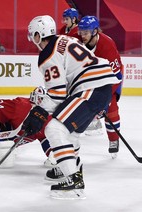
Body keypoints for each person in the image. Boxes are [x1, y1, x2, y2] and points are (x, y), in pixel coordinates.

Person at [26, 15, 120, 199]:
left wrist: (38, 112)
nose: (32, 39)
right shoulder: (65, 39)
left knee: (54, 128)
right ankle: (68, 167)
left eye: (33, 35)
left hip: (90, 88)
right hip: (99, 88)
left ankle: (73, 179)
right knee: (70, 132)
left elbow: (57, 94)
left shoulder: (47, 55)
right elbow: (63, 91)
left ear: (39, 34)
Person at [78, 16, 123, 159]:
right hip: (88, 77)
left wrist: (105, 101)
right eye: (81, 32)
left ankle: (114, 139)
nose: (82, 35)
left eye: (86, 32)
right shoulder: (77, 40)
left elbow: (116, 76)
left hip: (110, 79)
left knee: (111, 108)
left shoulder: (107, 45)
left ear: (95, 31)